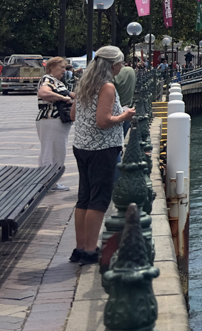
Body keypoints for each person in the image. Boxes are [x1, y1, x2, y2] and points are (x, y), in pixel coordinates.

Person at [69, 46, 135, 265]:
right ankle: (90, 249)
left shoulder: (84, 85)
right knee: (98, 199)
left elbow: (73, 114)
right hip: (102, 149)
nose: (122, 67)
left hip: (82, 146)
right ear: (113, 65)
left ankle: (79, 247)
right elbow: (103, 121)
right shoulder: (107, 87)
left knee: (84, 197)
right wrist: (124, 115)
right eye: (121, 63)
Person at [36, 57, 75, 190]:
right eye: (62, 67)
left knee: (49, 150)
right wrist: (64, 98)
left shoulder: (56, 81)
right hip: (52, 120)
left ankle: (47, 180)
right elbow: (43, 92)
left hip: (51, 121)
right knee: (54, 152)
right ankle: (50, 182)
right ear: (52, 68)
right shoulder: (49, 79)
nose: (64, 70)